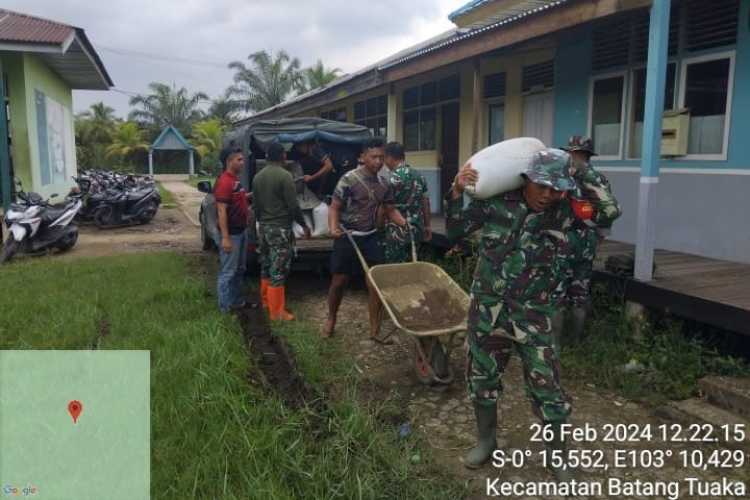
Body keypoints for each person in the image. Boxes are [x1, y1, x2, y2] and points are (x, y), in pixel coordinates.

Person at [446, 148, 621, 478]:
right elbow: (455, 231)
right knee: (482, 379)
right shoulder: (496, 203)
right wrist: (456, 191)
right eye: (542, 186)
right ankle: (486, 441)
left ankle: (557, 456)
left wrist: (581, 171)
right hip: (489, 311)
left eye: (556, 188)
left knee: (548, 387)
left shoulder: (567, 211)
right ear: (526, 179)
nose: (548, 194)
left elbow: (609, 212)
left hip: (534, 314)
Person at [323, 137, 406, 340]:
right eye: (373, 157)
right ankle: (331, 318)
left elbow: (390, 209)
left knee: (375, 283)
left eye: (381, 157)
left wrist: (404, 224)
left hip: (372, 236)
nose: (378, 161)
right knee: (339, 281)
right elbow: (334, 207)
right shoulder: (349, 179)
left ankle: (375, 329)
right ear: (362, 157)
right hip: (348, 236)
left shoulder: (385, 183)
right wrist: (333, 228)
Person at [556, 135, 610, 346]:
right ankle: (576, 342)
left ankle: (555, 344)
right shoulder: (600, 179)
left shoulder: (564, 178)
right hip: (588, 240)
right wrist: (597, 237)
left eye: (571, 152)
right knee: (580, 291)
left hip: (563, 239)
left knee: (557, 292)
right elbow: (607, 213)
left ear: (576, 153)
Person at [252, 143, 311, 321]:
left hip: (263, 228)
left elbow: (256, 206)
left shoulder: (257, 177)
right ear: (283, 156)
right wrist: (304, 225)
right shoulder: (285, 176)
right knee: (278, 269)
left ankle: (265, 302)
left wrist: (262, 223)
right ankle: (277, 312)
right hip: (280, 229)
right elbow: (293, 206)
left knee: (266, 265)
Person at [381, 142, 432, 263]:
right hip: (416, 230)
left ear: (389, 157)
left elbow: (385, 207)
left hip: (396, 232)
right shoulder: (419, 176)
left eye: (384, 158)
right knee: (412, 267)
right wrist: (427, 225)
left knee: (395, 269)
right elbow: (425, 203)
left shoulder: (390, 179)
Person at [214, 146, 250, 313]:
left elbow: (237, 201)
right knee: (228, 272)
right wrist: (226, 237)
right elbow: (221, 210)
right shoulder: (224, 182)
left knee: (240, 269)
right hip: (232, 235)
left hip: (242, 232)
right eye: (239, 159)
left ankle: (236, 301)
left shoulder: (235, 180)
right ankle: (225, 309)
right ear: (229, 161)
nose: (242, 162)